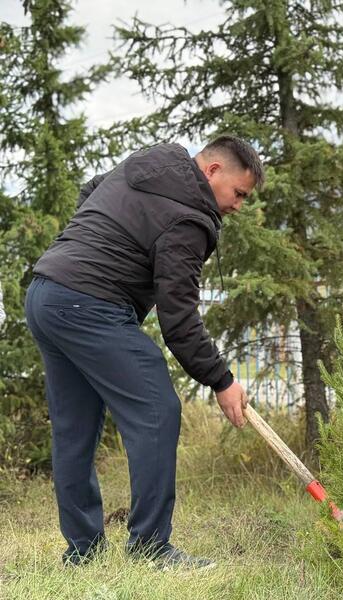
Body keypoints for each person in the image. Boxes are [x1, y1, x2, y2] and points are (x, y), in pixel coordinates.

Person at [25, 135, 262, 568]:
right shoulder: (189, 219)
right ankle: (150, 548)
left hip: (46, 294)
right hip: (89, 303)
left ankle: (84, 551)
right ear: (212, 172)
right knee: (157, 408)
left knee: (74, 429)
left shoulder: (154, 161)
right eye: (239, 193)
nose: (238, 206)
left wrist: (83, 247)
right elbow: (179, 320)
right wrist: (222, 380)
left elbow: (93, 189)